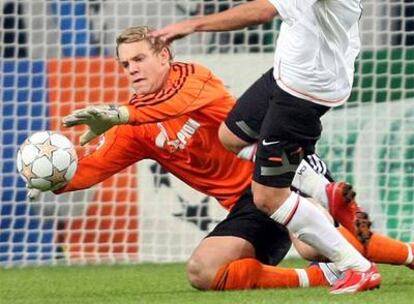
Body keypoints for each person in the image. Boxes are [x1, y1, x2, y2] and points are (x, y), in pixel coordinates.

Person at [35, 26, 413, 293]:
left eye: (139, 58)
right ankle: (320, 278)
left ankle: (405, 254)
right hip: (246, 206)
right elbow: (92, 169)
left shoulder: (194, 80)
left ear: (165, 56)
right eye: (125, 64)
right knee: (203, 271)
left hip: (277, 170)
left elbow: (173, 105)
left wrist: (121, 114)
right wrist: (52, 178)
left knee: (314, 245)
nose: (132, 68)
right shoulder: (135, 128)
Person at [151, 0, 381, 294]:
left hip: (303, 90)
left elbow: (264, 10)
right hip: (286, 72)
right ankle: (322, 189)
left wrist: (193, 24)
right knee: (231, 136)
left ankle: (356, 267)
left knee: (268, 199)